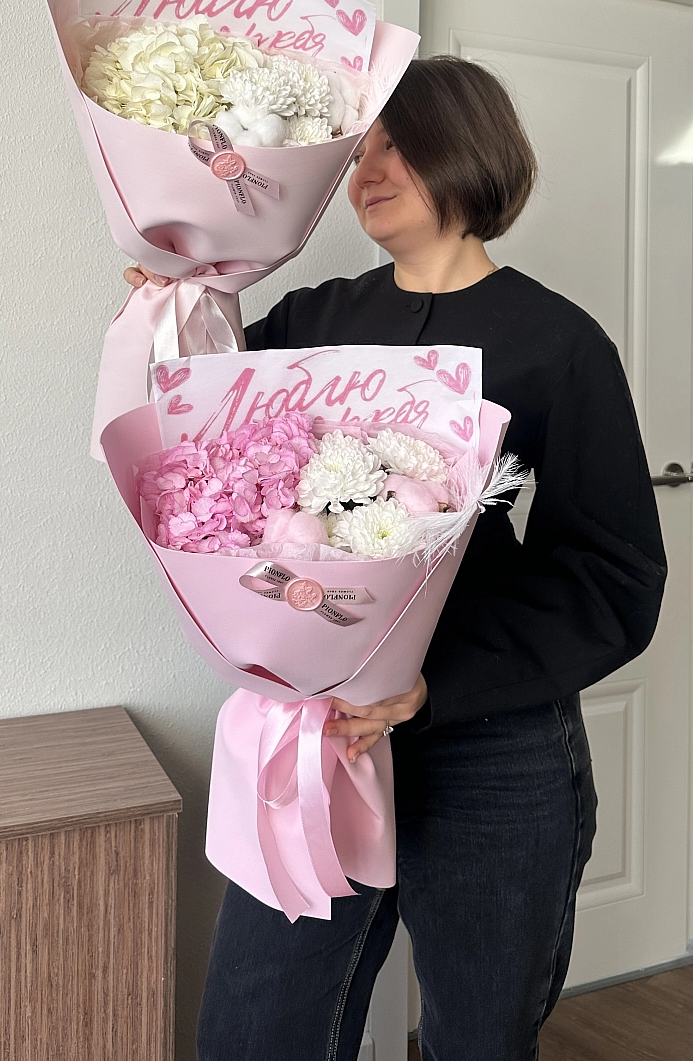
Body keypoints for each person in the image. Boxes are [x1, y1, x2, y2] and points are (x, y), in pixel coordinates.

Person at [124, 56, 666, 1061]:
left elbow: (611, 573)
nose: (367, 170)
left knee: (479, 1034)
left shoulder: (556, 341)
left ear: (470, 150)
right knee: (256, 1026)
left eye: (399, 145)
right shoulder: (313, 320)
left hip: (494, 746)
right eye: (359, 151)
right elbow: (208, 452)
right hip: (315, 736)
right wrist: (172, 308)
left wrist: (432, 685)